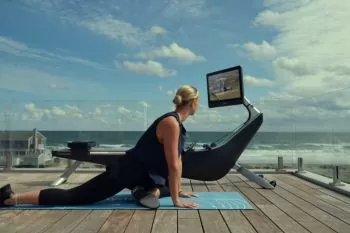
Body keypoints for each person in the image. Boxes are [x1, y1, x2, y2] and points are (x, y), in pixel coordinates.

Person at [0, 85, 200, 209]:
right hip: (126, 171)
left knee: (165, 185)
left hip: (143, 174)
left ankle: (147, 191)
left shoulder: (178, 125)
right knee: (75, 197)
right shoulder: (171, 123)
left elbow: (178, 161)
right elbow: (173, 165)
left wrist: (178, 190)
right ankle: (12, 198)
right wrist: (176, 201)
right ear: (194, 102)